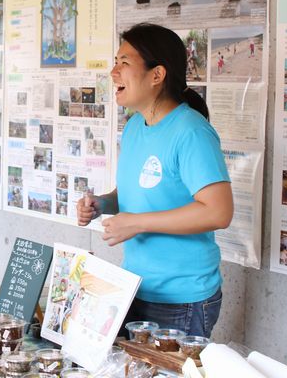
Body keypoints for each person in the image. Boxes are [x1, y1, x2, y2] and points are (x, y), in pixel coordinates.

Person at [77, 23, 233, 338]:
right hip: (134, 287)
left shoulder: (191, 132)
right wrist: (102, 204)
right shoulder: (135, 127)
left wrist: (137, 223)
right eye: (115, 61)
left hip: (182, 298)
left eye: (124, 63)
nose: (113, 72)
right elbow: (137, 193)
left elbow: (218, 212)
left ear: (157, 75)